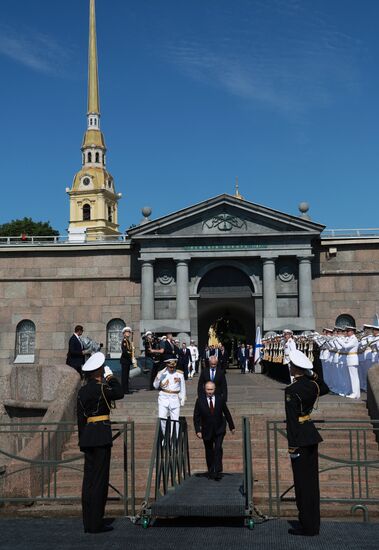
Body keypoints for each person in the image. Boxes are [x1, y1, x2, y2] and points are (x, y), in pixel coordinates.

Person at [77, 352, 124, 534]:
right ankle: (96, 523)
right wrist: (111, 377)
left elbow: (80, 418)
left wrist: (82, 440)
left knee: (88, 481)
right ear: (99, 371)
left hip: (88, 436)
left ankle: (88, 522)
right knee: (99, 481)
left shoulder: (82, 391)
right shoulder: (102, 388)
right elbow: (119, 393)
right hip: (101, 435)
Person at [285, 349, 329, 537]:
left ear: (295, 368)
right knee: (312, 484)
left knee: (302, 485)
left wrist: (292, 446)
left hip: (300, 440)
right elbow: (325, 388)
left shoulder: (291, 390)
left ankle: (307, 526)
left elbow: (292, 421)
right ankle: (314, 524)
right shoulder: (313, 386)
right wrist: (312, 374)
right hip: (311, 435)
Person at [193, 381, 235, 480]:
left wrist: (231, 426)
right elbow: (196, 417)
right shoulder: (200, 400)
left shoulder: (220, 399)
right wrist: (198, 430)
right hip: (206, 430)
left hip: (219, 428)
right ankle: (211, 470)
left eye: (211, 389)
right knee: (209, 451)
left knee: (218, 448)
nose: (210, 392)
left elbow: (226, 412)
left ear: (214, 389)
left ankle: (218, 470)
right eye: (208, 389)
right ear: (205, 389)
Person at [153, 357, 186, 435]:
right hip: (164, 398)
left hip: (175, 398)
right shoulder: (162, 373)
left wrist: (182, 399)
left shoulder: (179, 374)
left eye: (173, 367)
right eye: (170, 367)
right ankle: (164, 437)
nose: (172, 368)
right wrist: (159, 377)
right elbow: (155, 386)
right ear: (166, 365)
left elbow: (182, 387)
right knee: (162, 418)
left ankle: (174, 439)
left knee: (175, 420)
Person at [120, 326, 133, 395]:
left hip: (127, 360)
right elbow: (125, 351)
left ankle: (126, 389)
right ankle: (124, 390)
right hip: (125, 360)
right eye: (127, 332)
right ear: (124, 334)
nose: (128, 333)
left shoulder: (128, 341)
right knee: (124, 376)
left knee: (126, 376)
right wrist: (131, 355)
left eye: (129, 332)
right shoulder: (124, 341)